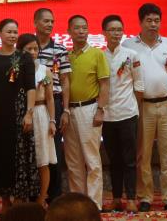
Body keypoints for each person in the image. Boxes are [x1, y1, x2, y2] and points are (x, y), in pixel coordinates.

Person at [122, 3, 167, 212]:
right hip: (142, 106)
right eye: (149, 20)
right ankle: (145, 197)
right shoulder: (129, 45)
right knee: (142, 155)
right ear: (140, 22)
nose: (153, 24)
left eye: (157, 20)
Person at [0, 19, 38, 209]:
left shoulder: (24, 57)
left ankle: (19, 200)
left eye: (15, 32)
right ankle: (5, 201)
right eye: (9, 32)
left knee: (18, 157)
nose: (12, 35)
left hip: (18, 114)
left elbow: (31, 88)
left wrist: (29, 114)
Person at [61, 15, 110, 210]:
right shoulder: (66, 55)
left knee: (92, 159)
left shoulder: (97, 54)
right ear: (69, 31)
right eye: (77, 28)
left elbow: (104, 84)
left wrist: (100, 110)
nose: (81, 31)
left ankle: (94, 204)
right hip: (68, 110)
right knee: (73, 160)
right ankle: (78, 203)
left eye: (84, 28)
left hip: (89, 109)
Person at [100, 14, 144, 213]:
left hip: (128, 114)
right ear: (104, 32)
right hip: (107, 116)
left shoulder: (131, 55)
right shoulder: (99, 56)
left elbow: (139, 85)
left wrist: (136, 109)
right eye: (112, 30)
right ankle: (117, 198)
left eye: (119, 30)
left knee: (129, 159)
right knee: (114, 159)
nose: (116, 33)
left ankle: (132, 198)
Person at [33, 8, 71, 202]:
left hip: (53, 102)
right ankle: (34, 195)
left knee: (53, 150)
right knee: (33, 150)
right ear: (35, 23)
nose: (49, 24)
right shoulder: (27, 46)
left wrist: (66, 109)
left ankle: (54, 196)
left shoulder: (60, 49)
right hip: (31, 105)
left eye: (52, 21)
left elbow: (65, 80)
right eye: (46, 21)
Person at [19, 33, 56, 208]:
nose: (33, 52)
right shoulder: (16, 69)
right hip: (22, 114)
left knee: (42, 159)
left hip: (41, 113)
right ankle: (21, 199)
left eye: (36, 49)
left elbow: (50, 98)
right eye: (29, 49)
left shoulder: (44, 70)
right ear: (21, 50)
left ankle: (42, 198)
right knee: (23, 159)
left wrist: (52, 120)